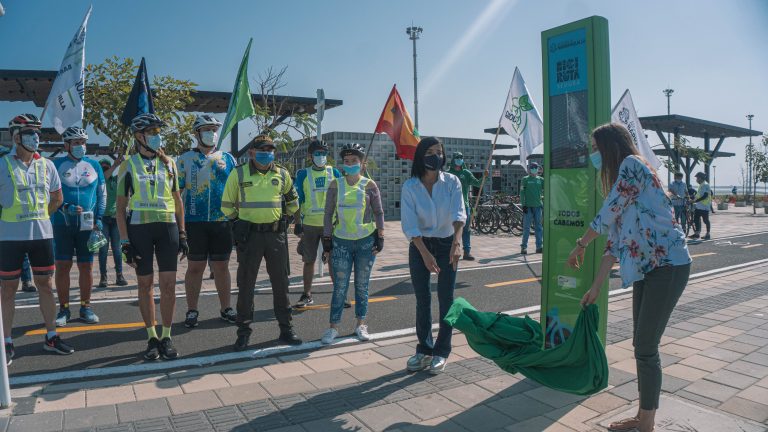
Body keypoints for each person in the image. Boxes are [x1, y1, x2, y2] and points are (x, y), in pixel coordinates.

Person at [567, 123, 691, 432]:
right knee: (641, 345)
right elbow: (614, 242)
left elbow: (606, 213)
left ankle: (646, 422)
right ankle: (642, 415)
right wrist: (596, 288)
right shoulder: (626, 181)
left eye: (595, 149)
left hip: (669, 266)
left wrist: (581, 244)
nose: (593, 155)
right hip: (650, 270)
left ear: (609, 147)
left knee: (646, 346)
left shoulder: (632, 165)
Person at [1, 114, 73, 365]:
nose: (35, 137)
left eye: (37, 133)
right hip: (9, 237)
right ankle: (6, 342)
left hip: (42, 235)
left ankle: (52, 336)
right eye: (29, 132)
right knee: (8, 289)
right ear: (16, 136)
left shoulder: (47, 165)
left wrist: (41, 216)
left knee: (46, 285)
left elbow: (57, 198)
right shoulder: (2, 165)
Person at [221, 135, 303, 351]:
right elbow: (227, 205)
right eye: (262, 149)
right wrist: (237, 222)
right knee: (246, 285)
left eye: (270, 149)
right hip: (250, 237)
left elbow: (294, 201)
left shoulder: (282, 174)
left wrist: (287, 217)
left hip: (276, 236)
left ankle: (286, 329)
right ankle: (243, 333)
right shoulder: (238, 174)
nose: (267, 152)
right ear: (251, 152)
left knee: (281, 284)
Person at [116, 113, 187, 361]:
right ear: (139, 136)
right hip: (140, 230)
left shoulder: (170, 164)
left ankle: (166, 336)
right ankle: (151, 337)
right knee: (145, 285)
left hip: (167, 228)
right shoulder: (128, 165)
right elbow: (120, 208)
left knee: (168, 286)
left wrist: (182, 232)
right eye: (152, 132)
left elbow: (178, 201)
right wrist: (124, 242)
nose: (158, 137)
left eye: (159, 132)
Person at [401, 137, 466, 374]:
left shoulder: (452, 182)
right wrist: (425, 253)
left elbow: (459, 214)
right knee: (423, 298)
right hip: (420, 245)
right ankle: (424, 350)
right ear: (420, 156)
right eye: (430, 152)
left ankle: (442, 351)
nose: (435, 156)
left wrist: (457, 243)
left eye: (439, 152)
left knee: (446, 298)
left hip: (448, 243)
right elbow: (409, 224)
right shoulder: (410, 186)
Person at [319, 143, 384, 344]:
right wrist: (327, 240)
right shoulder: (335, 185)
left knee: (362, 286)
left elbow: (379, 213)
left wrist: (380, 237)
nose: (350, 164)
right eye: (346, 161)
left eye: (354, 161)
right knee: (340, 287)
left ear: (362, 163)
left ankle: (360, 324)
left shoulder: (370, 185)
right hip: (341, 243)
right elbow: (328, 214)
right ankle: (333, 328)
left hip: (365, 243)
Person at [177, 115, 237, 328]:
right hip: (195, 222)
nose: (211, 133)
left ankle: (226, 308)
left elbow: (237, 191)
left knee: (222, 266)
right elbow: (177, 193)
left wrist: (238, 219)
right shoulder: (184, 159)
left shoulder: (228, 159)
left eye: (213, 129)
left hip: (222, 222)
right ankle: (192, 310)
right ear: (196, 133)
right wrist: (179, 227)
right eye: (206, 129)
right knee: (195, 267)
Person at [52, 127, 106, 326]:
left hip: (87, 225)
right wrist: (64, 207)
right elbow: (49, 195)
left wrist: (99, 218)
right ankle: (64, 309)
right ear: (66, 145)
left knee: (87, 266)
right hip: (62, 224)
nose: (80, 146)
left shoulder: (94, 165)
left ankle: (86, 307)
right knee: (63, 266)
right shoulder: (55, 164)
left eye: (82, 142)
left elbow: (102, 195)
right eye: (75, 143)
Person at [294, 140, 342, 307]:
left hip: (331, 225)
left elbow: (341, 197)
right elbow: (298, 200)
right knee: (309, 260)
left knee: (333, 260)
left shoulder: (334, 172)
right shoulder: (302, 174)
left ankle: (339, 295)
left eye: (324, 153)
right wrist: (297, 224)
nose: (321, 156)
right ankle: (306, 294)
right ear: (310, 156)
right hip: (309, 225)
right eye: (317, 153)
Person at [446, 152, 484, 260]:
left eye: (461, 158)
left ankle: (467, 252)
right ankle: (450, 250)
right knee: (451, 229)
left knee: (466, 229)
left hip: (465, 205)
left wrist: (483, 177)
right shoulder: (448, 174)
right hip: (451, 206)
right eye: (457, 158)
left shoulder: (466, 173)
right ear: (453, 159)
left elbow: (477, 183)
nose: (460, 159)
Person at [98, 156, 128, 288]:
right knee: (103, 249)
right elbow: (104, 176)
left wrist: (125, 163)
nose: (106, 168)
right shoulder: (99, 181)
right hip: (103, 218)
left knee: (117, 249)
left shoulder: (116, 180)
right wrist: (114, 165)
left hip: (115, 219)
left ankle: (119, 275)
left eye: (107, 165)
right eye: (103, 166)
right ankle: (103, 277)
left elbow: (126, 178)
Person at [519, 161, 544, 255]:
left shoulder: (541, 180)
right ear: (529, 169)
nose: (534, 169)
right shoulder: (525, 179)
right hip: (528, 207)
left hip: (538, 207)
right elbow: (521, 193)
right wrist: (523, 205)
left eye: (535, 167)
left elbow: (546, 189)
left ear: (538, 169)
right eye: (532, 167)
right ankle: (524, 247)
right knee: (526, 228)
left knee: (539, 227)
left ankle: (539, 247)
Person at [689, 172, 712, 240]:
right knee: (696, 219)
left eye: (697, 178)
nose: (696, 179)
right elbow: (698, 195)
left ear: (701, 178)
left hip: (704, 206)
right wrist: (692, 199)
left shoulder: (705, 185)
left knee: (705, 220)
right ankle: (697, 234)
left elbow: (705, 196)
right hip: (699, 206)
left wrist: (695, 201)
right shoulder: (701, 185)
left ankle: (708, 234)